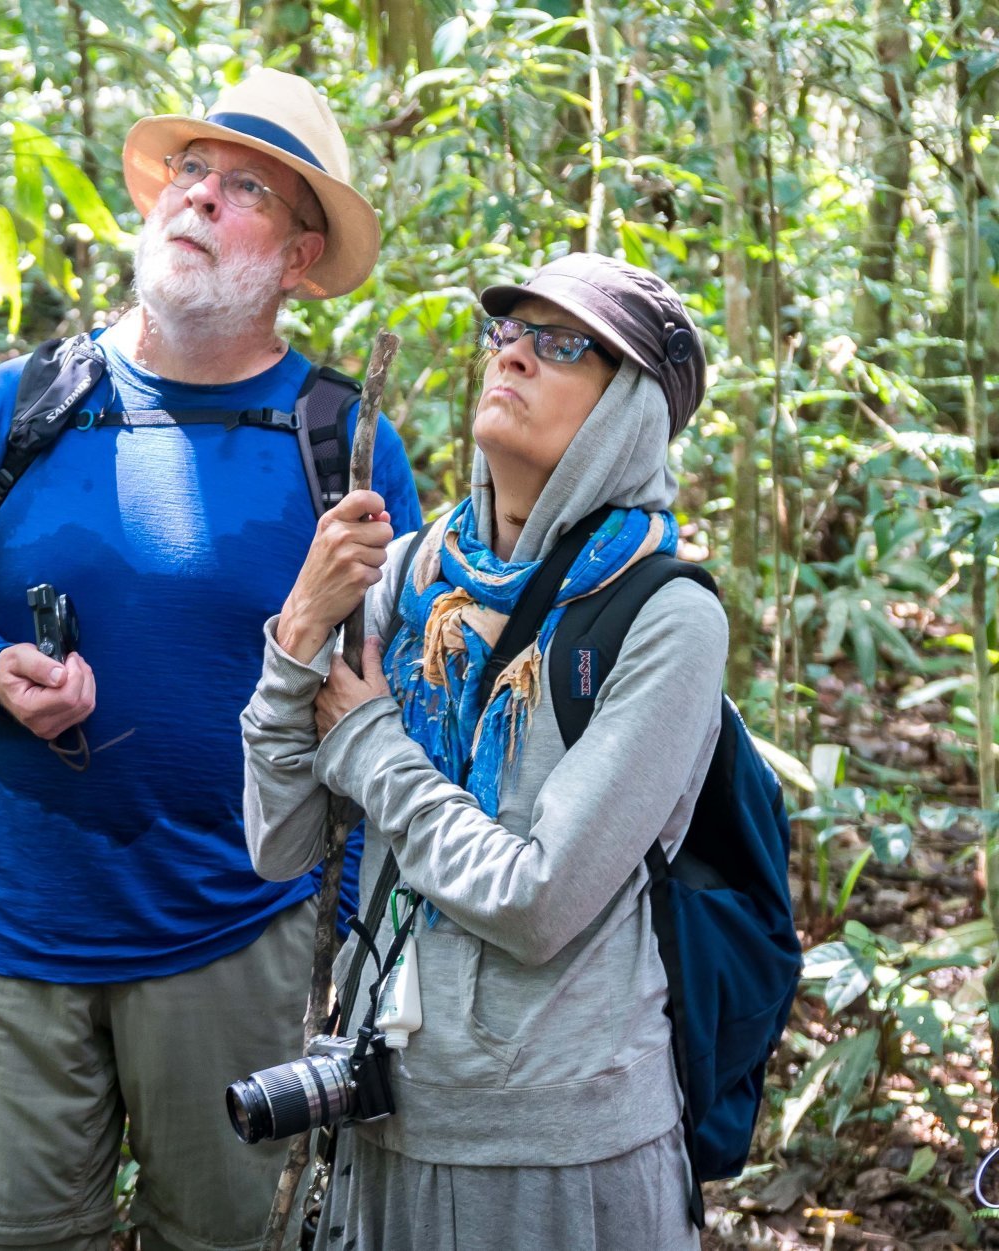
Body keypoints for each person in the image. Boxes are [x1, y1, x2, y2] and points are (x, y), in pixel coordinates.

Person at [0, 69, 420, 1251]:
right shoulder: (24, 404)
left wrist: (356, 942)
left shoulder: (344, 441)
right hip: (17, 925)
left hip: (241, 932)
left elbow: (392, 704)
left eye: (248, 191)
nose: (202, 201)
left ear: (301, 255)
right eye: (192, 174)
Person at [241, 252, 717, 1251]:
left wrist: (370, 741)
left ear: (629, 404)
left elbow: (535, 900)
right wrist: (298, 635)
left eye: (561, 345)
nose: (514, 358)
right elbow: (281, 843)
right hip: (388, 1108)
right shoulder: (414, 575)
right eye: (506, 334)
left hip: (559, 1144)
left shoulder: (664, 613)